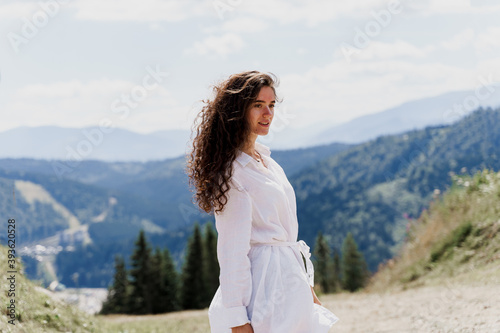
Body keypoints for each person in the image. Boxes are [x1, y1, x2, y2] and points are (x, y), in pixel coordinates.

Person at [186, 70, 339, 332]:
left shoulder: (267, 162)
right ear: (237, 110)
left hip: (290, 287)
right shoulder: (234, 173)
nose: (268, 113)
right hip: (263, 293)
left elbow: (286, 238)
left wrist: (307, 291)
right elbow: (233, 252)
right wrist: (238, 321)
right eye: (258, 105)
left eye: (271, 105)